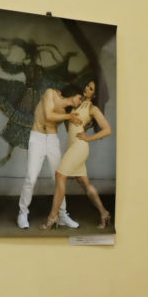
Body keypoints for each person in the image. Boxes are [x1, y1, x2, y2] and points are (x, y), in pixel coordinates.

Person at [41, 79, 113, 229]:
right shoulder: (78, 102)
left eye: (91, 89)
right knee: (85, 184)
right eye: (87, 85)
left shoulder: (92, 108)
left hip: (80, 147)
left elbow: (107, 129)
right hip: (73, 146)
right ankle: (104, 213)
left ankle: (52, 218)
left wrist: (88, 138)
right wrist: (60, 96)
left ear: (94, 94)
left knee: (60, 175)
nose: (87, 88)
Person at [16, 87, 83, 230]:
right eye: (80, 98)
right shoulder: (50, 93)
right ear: (74, 95)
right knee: (31, 178)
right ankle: (22, 213)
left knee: (59, 179)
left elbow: (72, 128)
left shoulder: (66, 112)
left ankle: (62, 215)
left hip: (52, 140)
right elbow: (48, 116)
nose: (80, 101)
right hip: (37, 137)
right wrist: (69, 117)